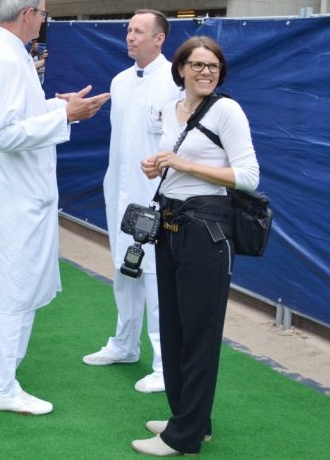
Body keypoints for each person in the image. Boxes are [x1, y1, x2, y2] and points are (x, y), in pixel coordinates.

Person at [0, 0, 109, 416]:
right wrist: (64, 114)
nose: (44, 21)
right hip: (16, 195)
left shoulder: (5, 53)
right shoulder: (7, 59)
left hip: (9, 192)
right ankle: (2, 386)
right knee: (15, 289)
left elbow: (17, 116)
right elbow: (7, 134)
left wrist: (57, 107)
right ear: (28, 14)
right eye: (43, 14)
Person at [133, 36, 258, 457]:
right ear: (181, 68)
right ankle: (189, 419)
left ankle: (182, 437)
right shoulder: (171, 110)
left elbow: (248, 176)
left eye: (214, 66)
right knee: (174, 329)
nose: (207, 72)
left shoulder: (228, 110)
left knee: (200, 335)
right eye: (199, 65)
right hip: (170, 224)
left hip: (208, 231)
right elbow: (175, 165)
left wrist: (183, 164)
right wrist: (157, 167)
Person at [84, 10, 181, 394]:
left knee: (156, 277)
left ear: (159, 39)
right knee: (124, 270)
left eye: (139, 31)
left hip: (155, 196)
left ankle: (163, 362)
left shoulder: (175, 81)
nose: (130, 37)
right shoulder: (121, 81)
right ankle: (124, 344)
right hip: (119, 191)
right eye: (128, 30)